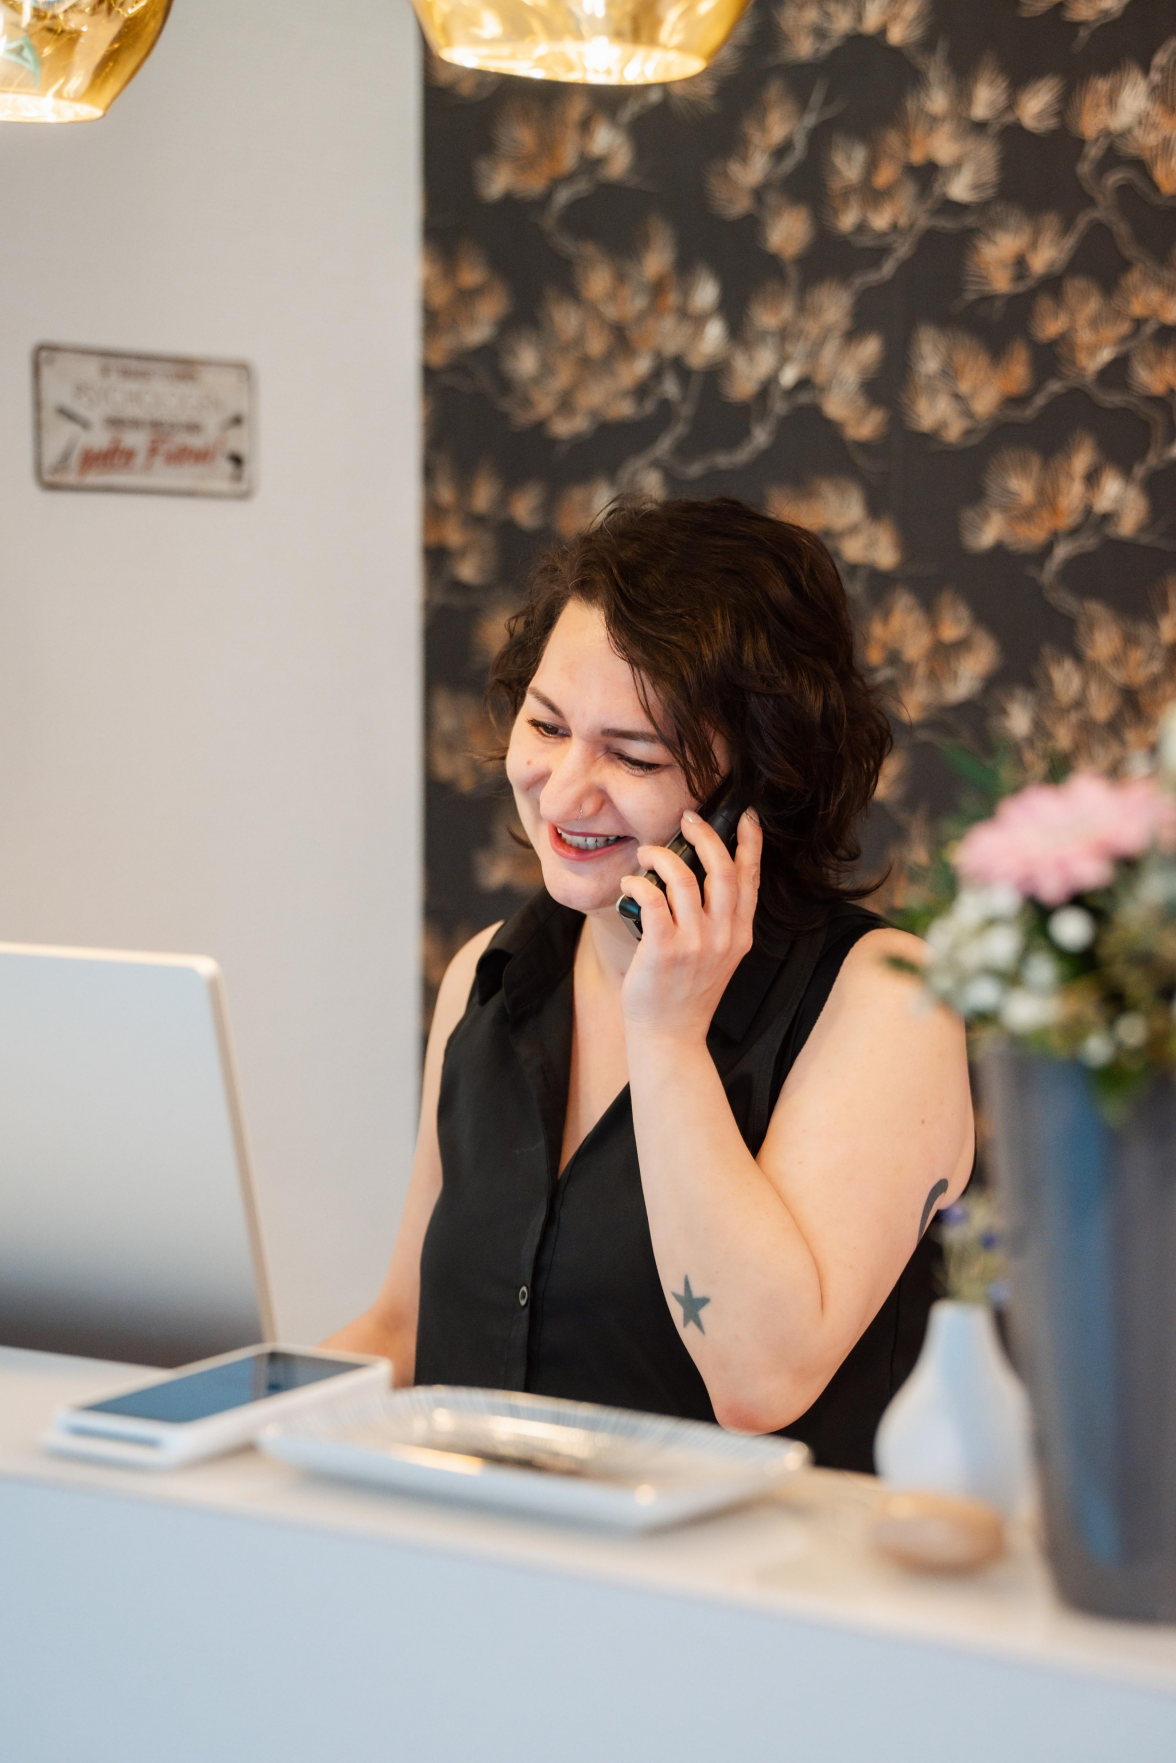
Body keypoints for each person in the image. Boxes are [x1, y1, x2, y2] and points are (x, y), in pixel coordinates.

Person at [327, 497, 973, 1469]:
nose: (566, 786)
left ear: (757, 783)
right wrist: (216, 1414)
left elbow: (761, 1378)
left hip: (750, 1599)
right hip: (484, 1578)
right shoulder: (490, 979)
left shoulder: (884, 1001)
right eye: (546, 725)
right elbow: (403, 1330)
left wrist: (667, 1038)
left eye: (632, 754)